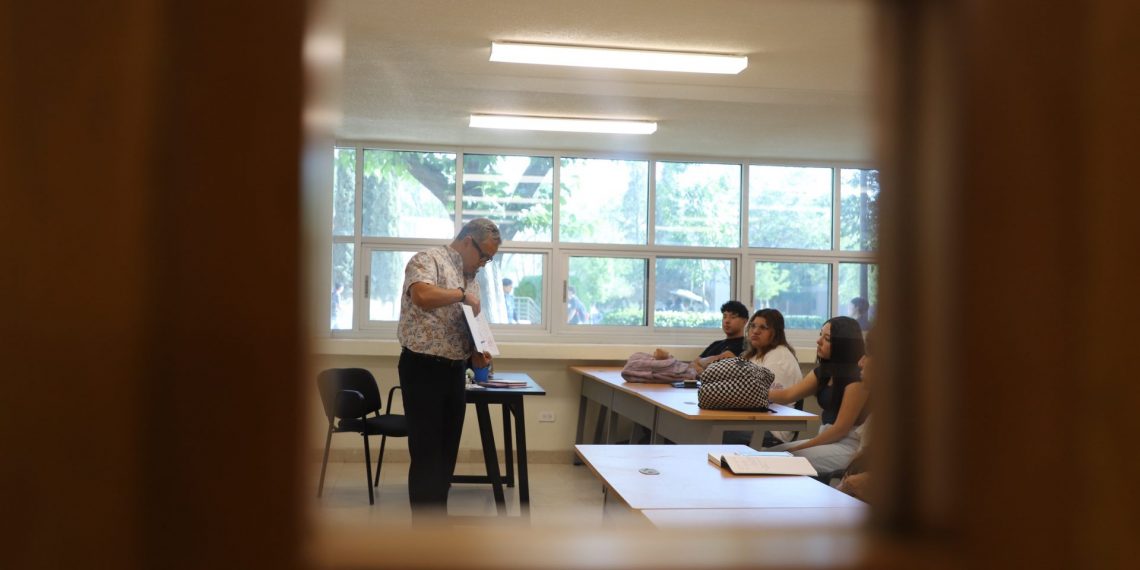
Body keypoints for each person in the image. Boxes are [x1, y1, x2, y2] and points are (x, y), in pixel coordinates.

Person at [397, 217, 500, 516]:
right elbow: (422, 295)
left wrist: (476, 353)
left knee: (446, 454)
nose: (483, 264)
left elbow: (462, 325)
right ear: (468, 241)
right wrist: (461, 294)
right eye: (484, 256)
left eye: (489, 260)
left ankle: (438, 522)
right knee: (427, 454)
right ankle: (424, 531)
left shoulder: (471, 277)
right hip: (423, 369)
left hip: (455, 372)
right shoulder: (427, 260)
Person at [764, 316, 869, 475]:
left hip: (848, 445)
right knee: (766, 455)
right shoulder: (824, 372)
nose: (818, 341)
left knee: (777, 460)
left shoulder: (857, 378)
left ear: (843, 345)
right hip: (827, 440)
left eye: (827, 339)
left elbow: (840, 430)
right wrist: (750, 393)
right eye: (820, 335)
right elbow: (787, 395)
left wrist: (798, 448)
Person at [739, 308, 802, 445]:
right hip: (755, 420)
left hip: (773, 429)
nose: (755, 331)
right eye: (753, 326)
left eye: (763, 327)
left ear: (776, 333)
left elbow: (759, 399)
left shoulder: (779, 358)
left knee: (709, 431)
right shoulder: (754, 355)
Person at [654, 300, 749, 374]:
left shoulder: (746, 345)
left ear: (745, 321)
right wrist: (703, 369)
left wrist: (702, 363)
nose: (727, 321)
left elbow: (723, 363)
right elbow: (692, 364)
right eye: (724, 317)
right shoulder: (716, 344)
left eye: (733, 317)